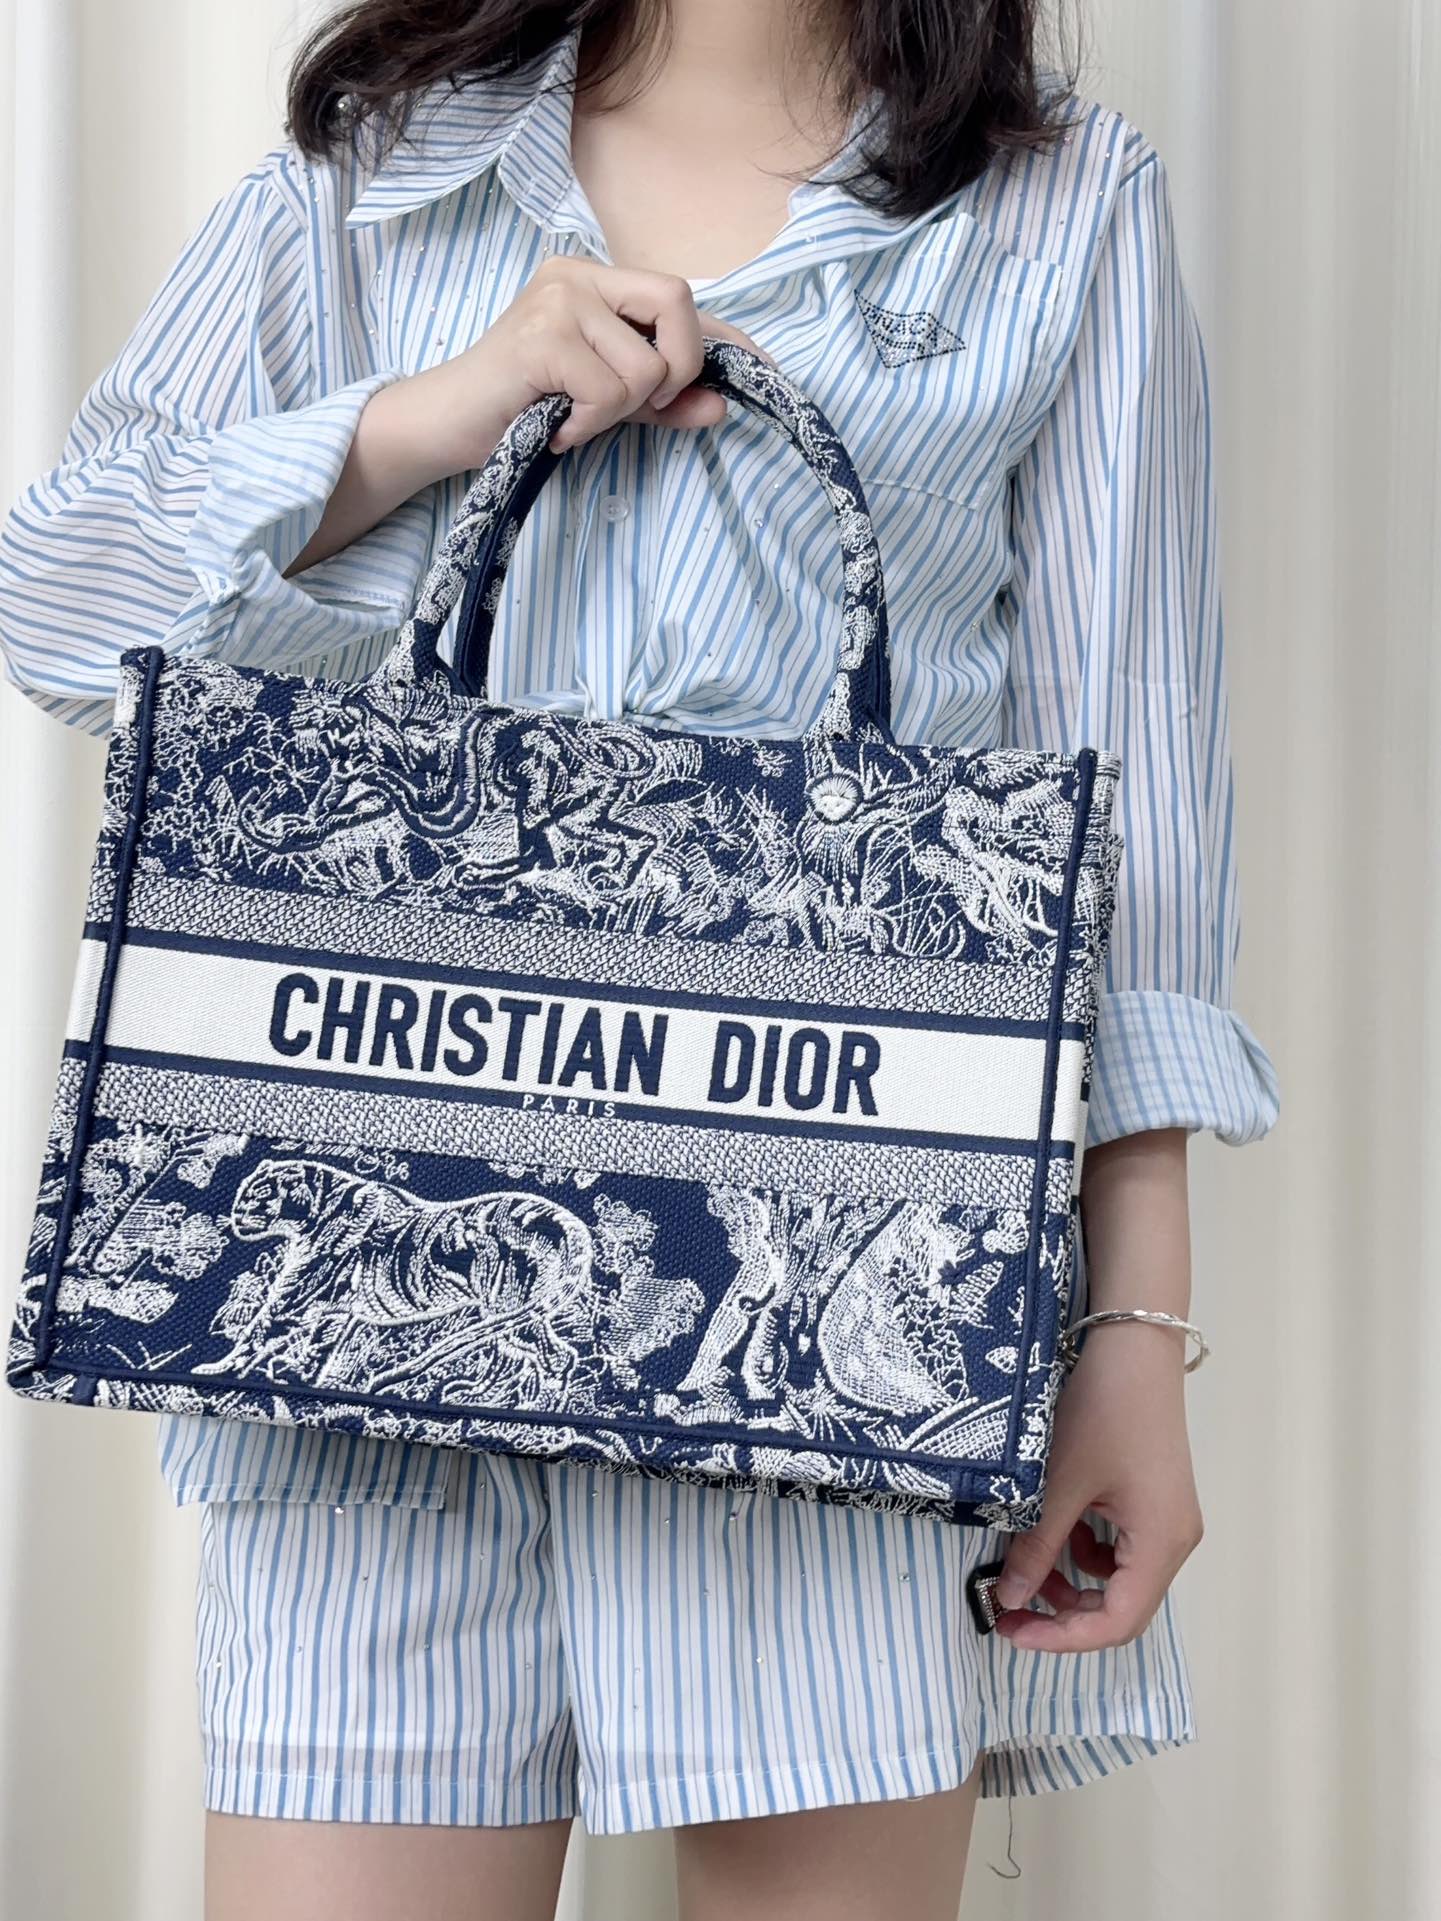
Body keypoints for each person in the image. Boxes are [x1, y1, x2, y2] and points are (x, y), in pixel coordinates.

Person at [0, 2, 1279, 1916]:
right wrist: (440, 411)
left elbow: (1131, 814)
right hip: (368, 1343)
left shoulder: (1060, 206)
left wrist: (1131, 1342)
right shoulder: (381, 167)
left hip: (825, 1330)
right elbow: (56, 601)